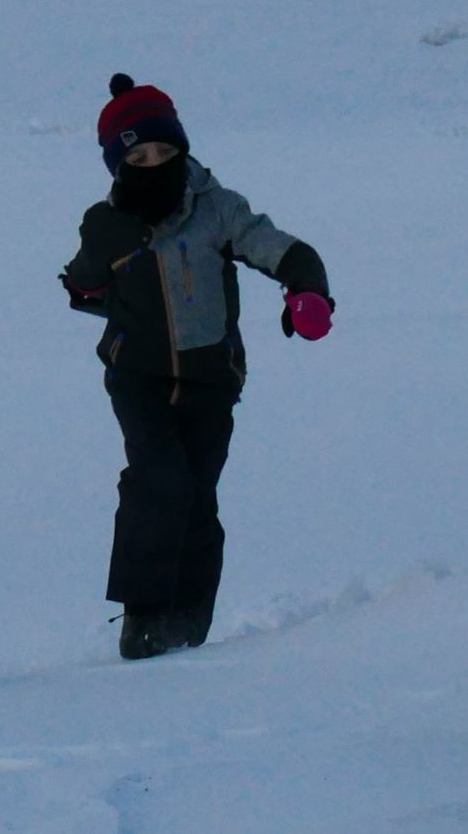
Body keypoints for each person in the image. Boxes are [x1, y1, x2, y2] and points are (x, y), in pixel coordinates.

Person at [59, 73, 334, 659]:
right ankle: (144, 618)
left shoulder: (219, 210)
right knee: (157, 478)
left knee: (197, 495)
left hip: (211, 380)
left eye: (163, 150)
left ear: (181, 148)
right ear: (118, 165)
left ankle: (188, 620)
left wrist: (307, 289)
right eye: (137, 157)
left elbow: (285, 250)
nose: (153, 164)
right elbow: (84, 285)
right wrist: (93, 269)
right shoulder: (108, 222)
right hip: (138, 378)